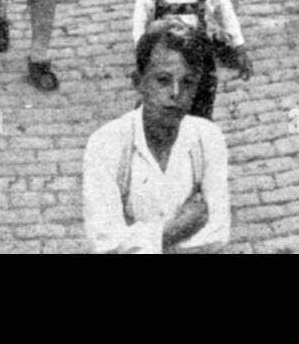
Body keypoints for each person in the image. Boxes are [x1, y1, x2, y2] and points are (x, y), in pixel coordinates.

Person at [82, 19, 230, 254]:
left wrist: (140, 243)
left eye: (188, 82)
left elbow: (216, 235)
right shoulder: (106, 144)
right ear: (138, 82)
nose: (175, 93)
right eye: (163, 80)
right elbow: (105, 242)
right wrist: (176, 230)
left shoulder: (208, 139)